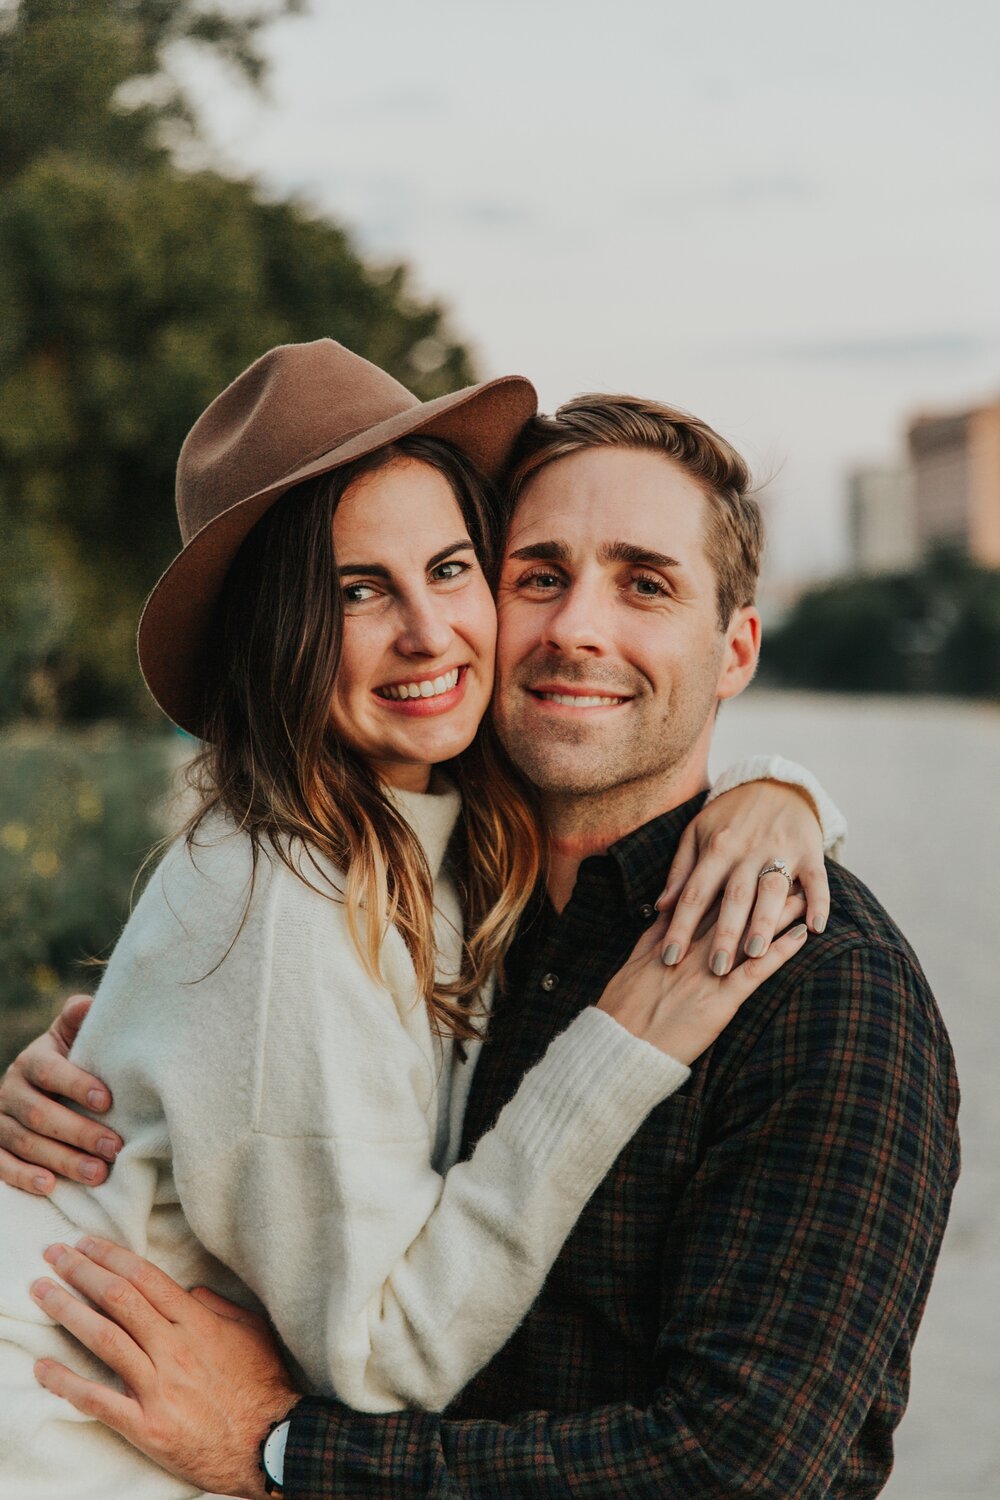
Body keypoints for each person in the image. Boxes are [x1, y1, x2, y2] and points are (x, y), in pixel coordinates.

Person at [3, 387, 958, 1500]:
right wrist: (96, 1083)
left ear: (736, 648)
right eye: (538, 575)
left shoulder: (818, 990)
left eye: (644, 584)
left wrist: (282, 1451)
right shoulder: (417, 897)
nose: (575, 628)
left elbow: (739, 1472)